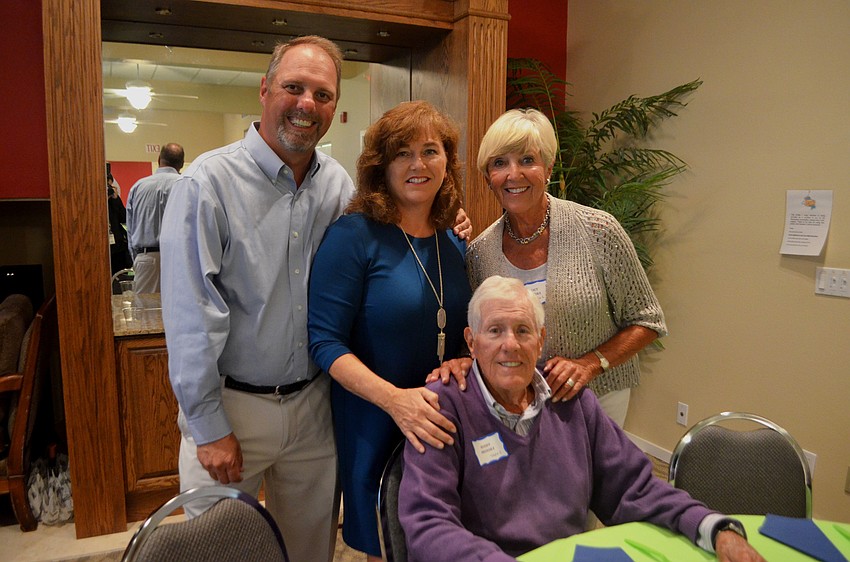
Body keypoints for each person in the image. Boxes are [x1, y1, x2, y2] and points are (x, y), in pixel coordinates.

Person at [160, 37, 470, 562]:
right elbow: (191, 317)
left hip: (312, 407)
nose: (307, 104)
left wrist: (448, 218)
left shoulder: (336, 185)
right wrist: (208, 427)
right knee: (220, 551)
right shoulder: (206, 183)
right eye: (294, 88)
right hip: (232, 404)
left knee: (307, 551)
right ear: (264, 89)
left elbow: (389, 234)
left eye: (322, 94)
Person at [400, 276, 766, 562]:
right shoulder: (442, 408)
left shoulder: (571, 402)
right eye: (495, 330)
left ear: (541, 341)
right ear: (472, 340)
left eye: (523, 330)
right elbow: (429, 524)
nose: (510, 344)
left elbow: (634, 488)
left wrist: (715, 528)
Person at [308, 100, 471, 561]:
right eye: (402, 153)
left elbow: (458, 328)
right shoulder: (353, 236)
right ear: (381, 166)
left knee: (443, 539)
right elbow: (324, 342)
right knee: (387, 541)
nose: (418, 164)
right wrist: (394, 400)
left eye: (430, 150)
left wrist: (462, 354)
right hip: (376, 417)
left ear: (447, 161)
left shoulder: (454, 239)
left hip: (445, 420)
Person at [432, 108, 665, 427]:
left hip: (597, 401)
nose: (514, 175)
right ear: (488, 178)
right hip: (516, 407)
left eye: (527, 160)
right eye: (500, 163)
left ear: (548, 167)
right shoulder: (479, 254)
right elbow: (476, 336)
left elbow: (647, 320)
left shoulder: (598, 230)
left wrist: (589, 364)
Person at [125, 143, 185, 293]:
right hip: (178, 258)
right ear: (182, 163)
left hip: (146, 257)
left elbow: (130, 230)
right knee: (180, 313)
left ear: (159, 159)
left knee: (145, 313)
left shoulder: (138, 186)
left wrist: (139, 257)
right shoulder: (186, 184)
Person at [107, 173, 132, 275]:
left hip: (117, 247)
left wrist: (116, 199)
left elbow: (124, 218)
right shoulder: (95, 201)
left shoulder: (114, 201)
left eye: (110, 186)